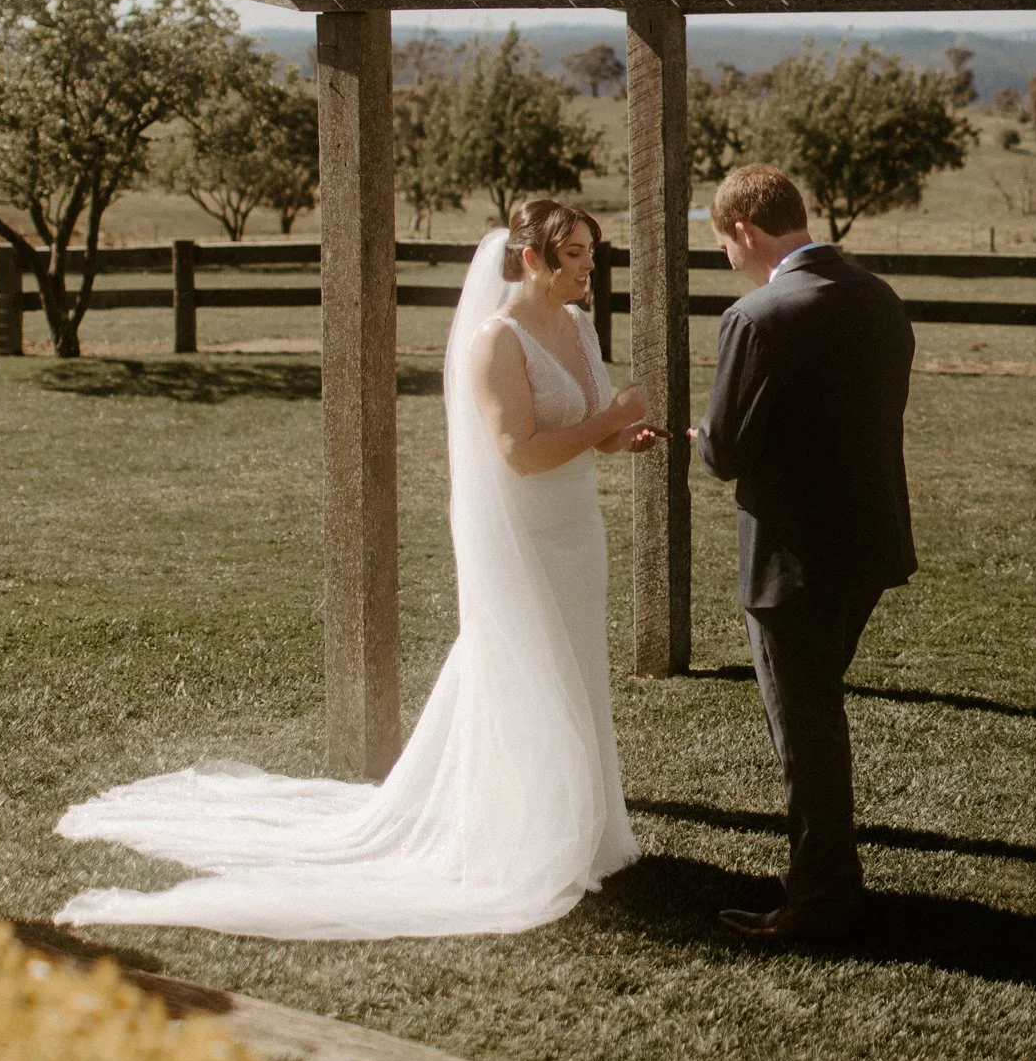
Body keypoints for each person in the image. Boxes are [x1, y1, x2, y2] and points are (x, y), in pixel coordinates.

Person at [54, 201, 655, 940]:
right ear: (531, 259)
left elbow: (588, 435)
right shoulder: (495, 342)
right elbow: (519, 453)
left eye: (591, 251)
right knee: (524, 666)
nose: (589, 266)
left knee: (575, 668)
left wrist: (626, 437)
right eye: (574, 253)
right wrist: (607, 417)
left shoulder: (582, 327)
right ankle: (519, 836)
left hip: (577, 532)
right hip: (522, 538)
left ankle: (584, 827)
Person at [693, 165, 916, 947]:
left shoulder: (755, 317)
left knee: (806, 731)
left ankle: (819, 902)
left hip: (790, 560)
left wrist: (702, 437)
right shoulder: (877, 297)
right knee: (817, 713)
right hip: (868, 544)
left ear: (745, 232)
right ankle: (829, 883)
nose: (725, 254)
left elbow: (724, 454)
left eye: (722, 241)